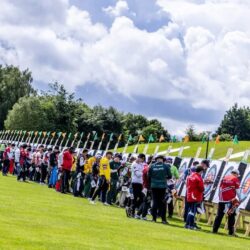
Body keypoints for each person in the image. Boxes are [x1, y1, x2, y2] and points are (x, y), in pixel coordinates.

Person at [213, 168, 240, 236]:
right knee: (231, 216)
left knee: (219, 215)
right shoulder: (235, 179)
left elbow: (220, 188)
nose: (237, 176)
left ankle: (214, 230)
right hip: (230, 200)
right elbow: (238, 191)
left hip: (222, 200)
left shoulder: (224, 177)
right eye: (237, 175)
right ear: (236, 174)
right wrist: (240, 199)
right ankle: (231, 232)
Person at [148, 155, 172, 224]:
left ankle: (154, 219)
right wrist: (163, 178)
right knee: (162, 202)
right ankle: (163, 219)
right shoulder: (166, 166)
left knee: (155, 202)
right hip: (162, 186)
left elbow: (148, 176)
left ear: (156, 159)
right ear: (163, 160)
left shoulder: (152, 166)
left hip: (154, 186)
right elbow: (170, 176)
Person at [185, 165, 204, 230]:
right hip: (195, 196)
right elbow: (201, 188)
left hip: (189, 195)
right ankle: (191, 225)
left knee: (190, 210)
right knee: (193, 211)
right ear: (201, 171)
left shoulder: (190, 176)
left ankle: (187, 224)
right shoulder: (198, 177)